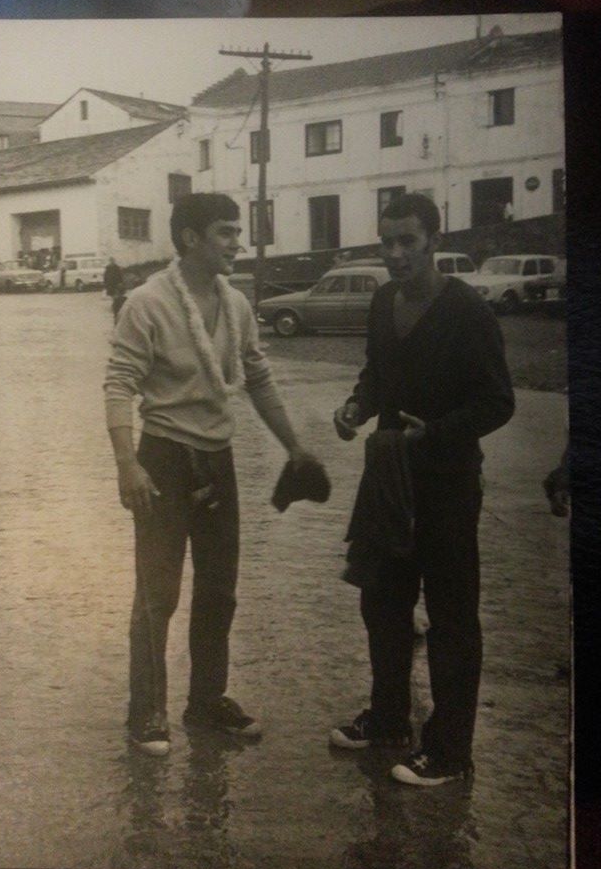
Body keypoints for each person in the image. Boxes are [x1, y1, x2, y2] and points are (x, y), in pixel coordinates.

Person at [104, 192, 315, 757]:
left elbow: (258, 377)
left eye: (236, 231)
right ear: (191, 237)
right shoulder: (145, 303)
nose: (236, 243)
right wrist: (128, 464)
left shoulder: (237, 304)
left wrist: (294, 446)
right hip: (163, 460)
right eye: (225, 232)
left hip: (217, 462)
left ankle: (206, 700)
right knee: (158, 594)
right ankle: (146, 711)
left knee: (219, 590)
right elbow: (119, 384)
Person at [330, 192, 515, 787]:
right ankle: (388, 721)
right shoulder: (383, 301)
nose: (396, 254)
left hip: (449, 483)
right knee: (382, 602)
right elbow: (379, 373)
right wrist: (358, 406)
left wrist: (434, 433)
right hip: (390, 479)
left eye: (408, 241)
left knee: (451, 615)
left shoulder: (468, 310)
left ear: (433, 240)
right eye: (387, 242)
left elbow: (498, 401)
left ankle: (451, 751)